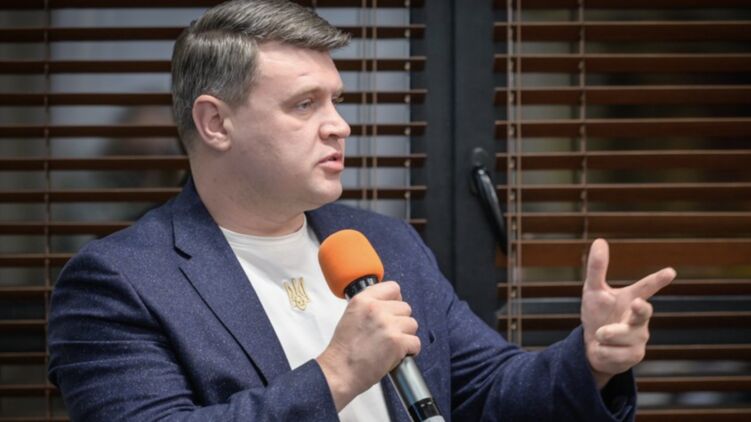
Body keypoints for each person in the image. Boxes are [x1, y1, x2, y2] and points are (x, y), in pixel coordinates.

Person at [47, 1, 676, 421]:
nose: (339, 125)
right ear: (215, 122)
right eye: (304, 105)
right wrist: (338, 372)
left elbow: (487, 390)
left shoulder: (383, 243)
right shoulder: (119, 283)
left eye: (337, 101)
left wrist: (590, 360)